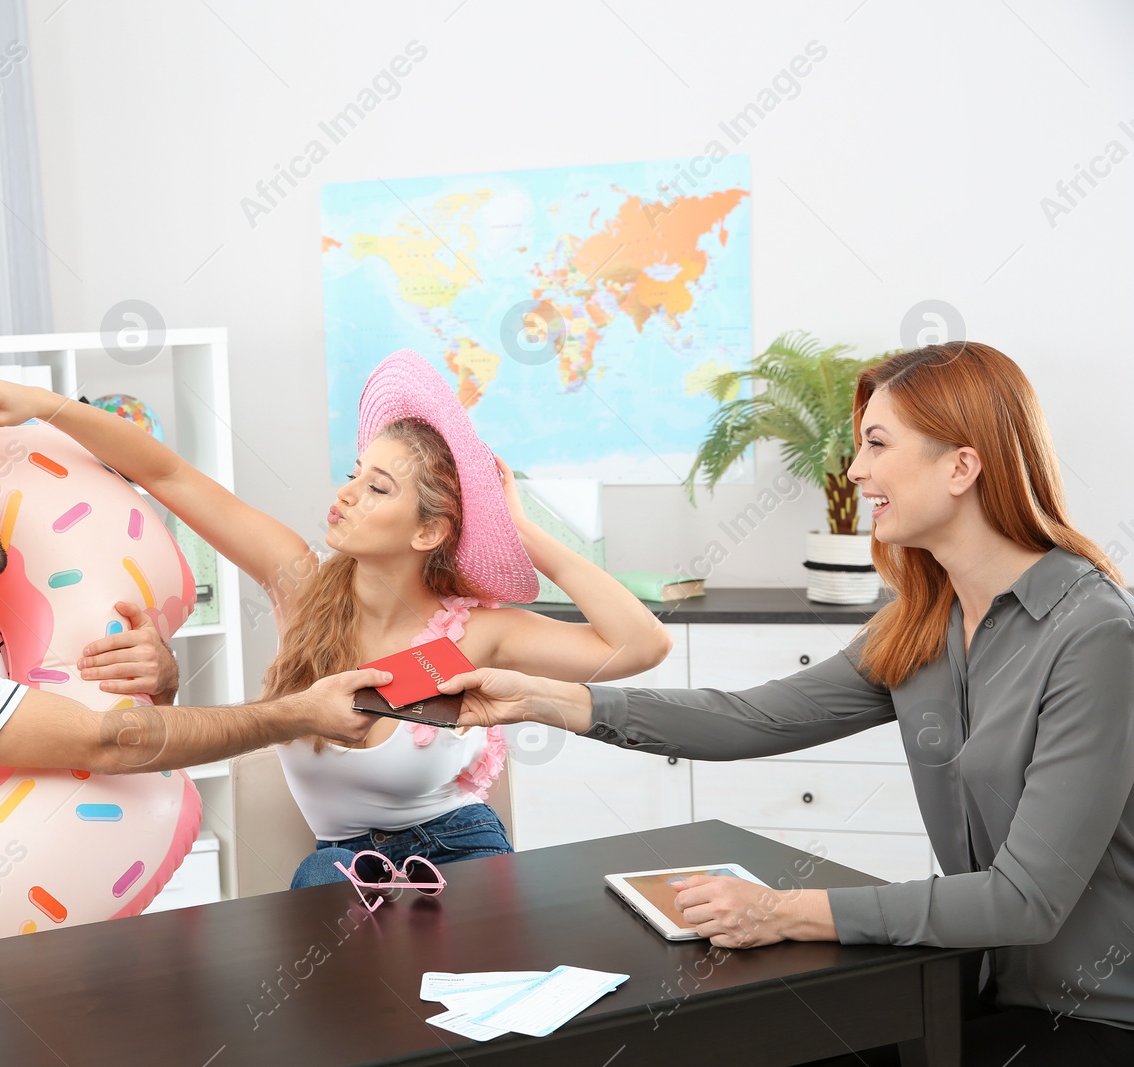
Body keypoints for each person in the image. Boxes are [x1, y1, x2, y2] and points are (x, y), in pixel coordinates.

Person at [437, 341, 1134, 1065]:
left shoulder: (1092, 633)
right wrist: (547, 699)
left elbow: (1024, 898)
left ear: (961, 466)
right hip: (976, 981)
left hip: (1098, 1014)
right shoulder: (922, 622)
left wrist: (785, 910)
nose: (857, 469)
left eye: (876, 442)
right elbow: (752, 716)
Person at [0, 351, 672, 892]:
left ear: (426, 533)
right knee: (338, 971)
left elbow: (639, 644)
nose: (346, 494)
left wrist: (521, 530)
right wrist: (41, 402)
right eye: (355, 472)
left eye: (376, 486)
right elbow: (170, 476)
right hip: (340, 863)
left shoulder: (474, 632)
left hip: (461, 849)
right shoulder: (299, 583)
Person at [0, 406, 392, 1067]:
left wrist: (160, 682)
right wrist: (296, 712)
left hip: (6, 953)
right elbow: (108, 743)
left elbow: (91, 740)